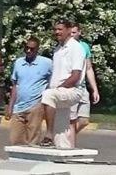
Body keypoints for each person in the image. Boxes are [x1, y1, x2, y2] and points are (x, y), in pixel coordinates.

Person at [37, 19, 86, 148]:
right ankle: (62, 149)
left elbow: (76, 76)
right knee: (61, 133)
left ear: (69, 30)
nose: (57, 32)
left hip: (72, 90)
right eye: (55, 29)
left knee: (48, 95)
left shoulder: (76, 48)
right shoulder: (58, 49)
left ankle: (48, 134)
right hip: (59, 92)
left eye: (60, 29)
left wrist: (59, 88)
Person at [5, 37, 52, 145]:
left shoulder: (47, 63)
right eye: (26, 48)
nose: (28, 51)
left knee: (32, 141)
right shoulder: (19, 62)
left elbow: (54, 79)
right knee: (15, 140)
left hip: (35, 106)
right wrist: (10, 107)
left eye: (32, 49)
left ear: (37, 49)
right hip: (18, 107)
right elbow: (15, 85)